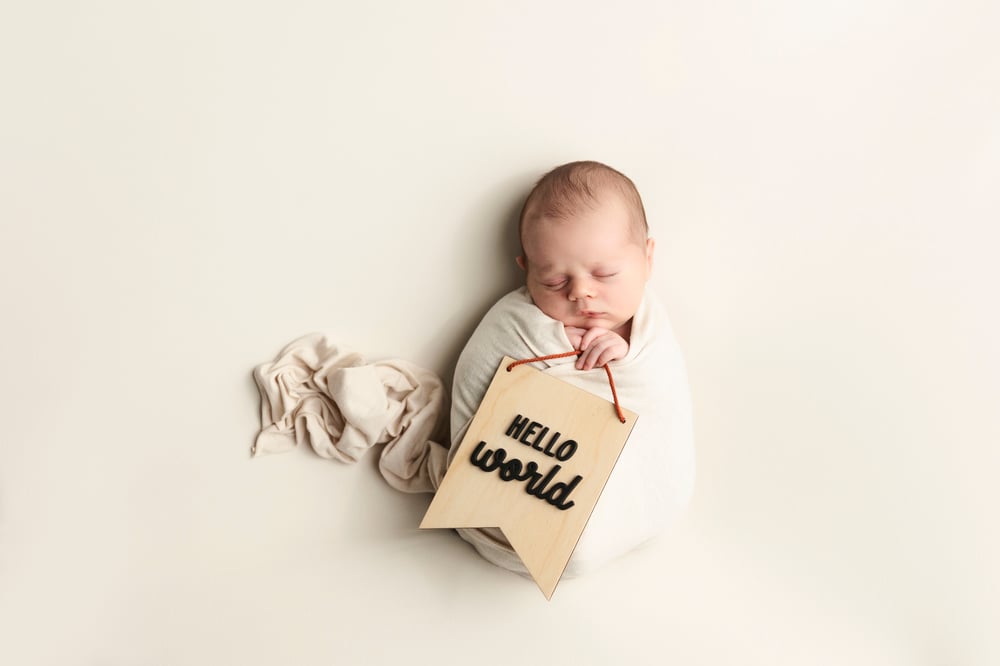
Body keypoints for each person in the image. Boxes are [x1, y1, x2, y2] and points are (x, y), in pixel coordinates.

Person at [448, 161, 695, 577]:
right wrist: (551, 349)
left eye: (605, 273)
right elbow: (479, 377)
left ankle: (608, 524)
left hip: (625, 493)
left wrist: (624, 353)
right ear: (526, 270)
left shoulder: (649, 329)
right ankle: (539, 533)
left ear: (647, 259)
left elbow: (658, 386)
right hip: (523, 486)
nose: (581, 293)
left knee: (597, 511)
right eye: (554, 282)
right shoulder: (516, 323)